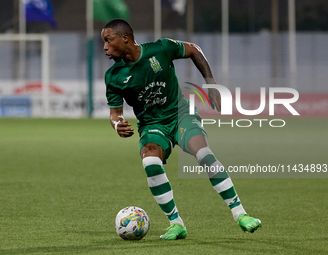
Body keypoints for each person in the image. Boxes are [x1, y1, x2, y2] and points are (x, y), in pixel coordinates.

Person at [101, 18, 261, 240]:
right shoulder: (114, 77)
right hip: (152, 125)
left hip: (180, 115)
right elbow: (115, 114)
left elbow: (194, 50)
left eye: (108, 41)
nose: (105, 47)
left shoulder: (161, 49)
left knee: (204, 154)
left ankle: (240, 214)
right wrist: (118, 125)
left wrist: (211, 83)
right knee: (149, 161)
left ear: (125, 38)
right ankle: (176, 224)